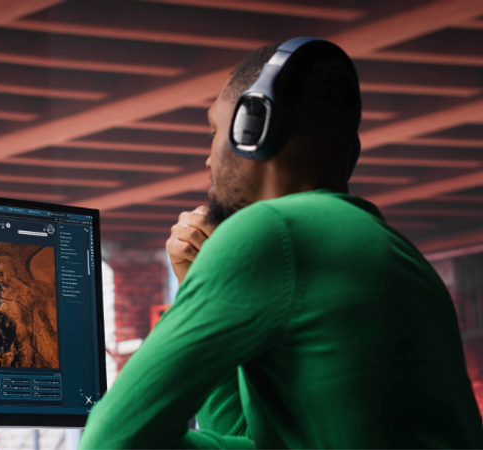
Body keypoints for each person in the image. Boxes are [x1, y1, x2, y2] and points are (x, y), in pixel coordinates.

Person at [78, 39, 483, 449]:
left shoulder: (274, 230)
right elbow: (254, 439)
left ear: (252, 128)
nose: (208, 160)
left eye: (214, 130)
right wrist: (197, 281)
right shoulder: (396, 253)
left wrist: (200, 287)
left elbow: (111, 439)